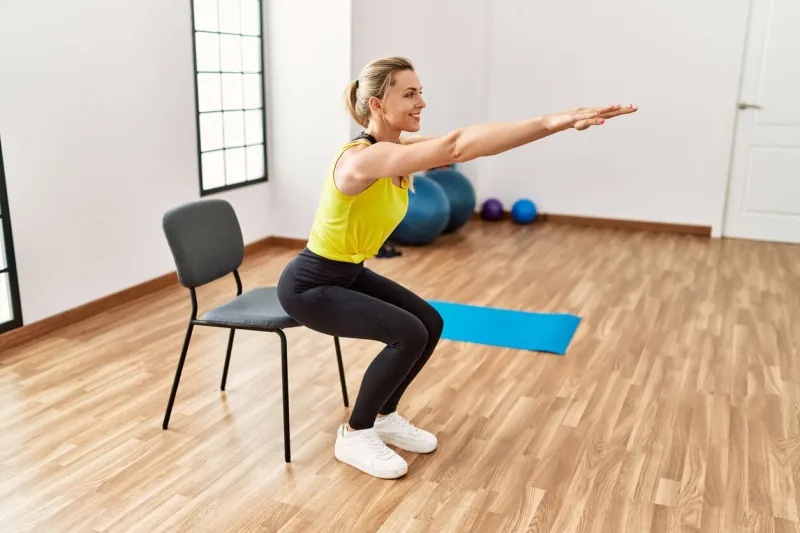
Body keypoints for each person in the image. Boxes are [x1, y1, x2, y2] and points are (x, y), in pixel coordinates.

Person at [276, 56, 637, 479]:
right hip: (310, 285)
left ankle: (384, 416)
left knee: (429, 321)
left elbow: (459, 142)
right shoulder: (362, 160)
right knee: (407, 332)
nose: (421, 102)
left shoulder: (396, 151)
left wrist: (555, 125)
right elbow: (456, 146)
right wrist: (551, 120)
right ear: (377, 104)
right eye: (409, 94)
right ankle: (355, 434)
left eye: (420, 92)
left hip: (347, 273)